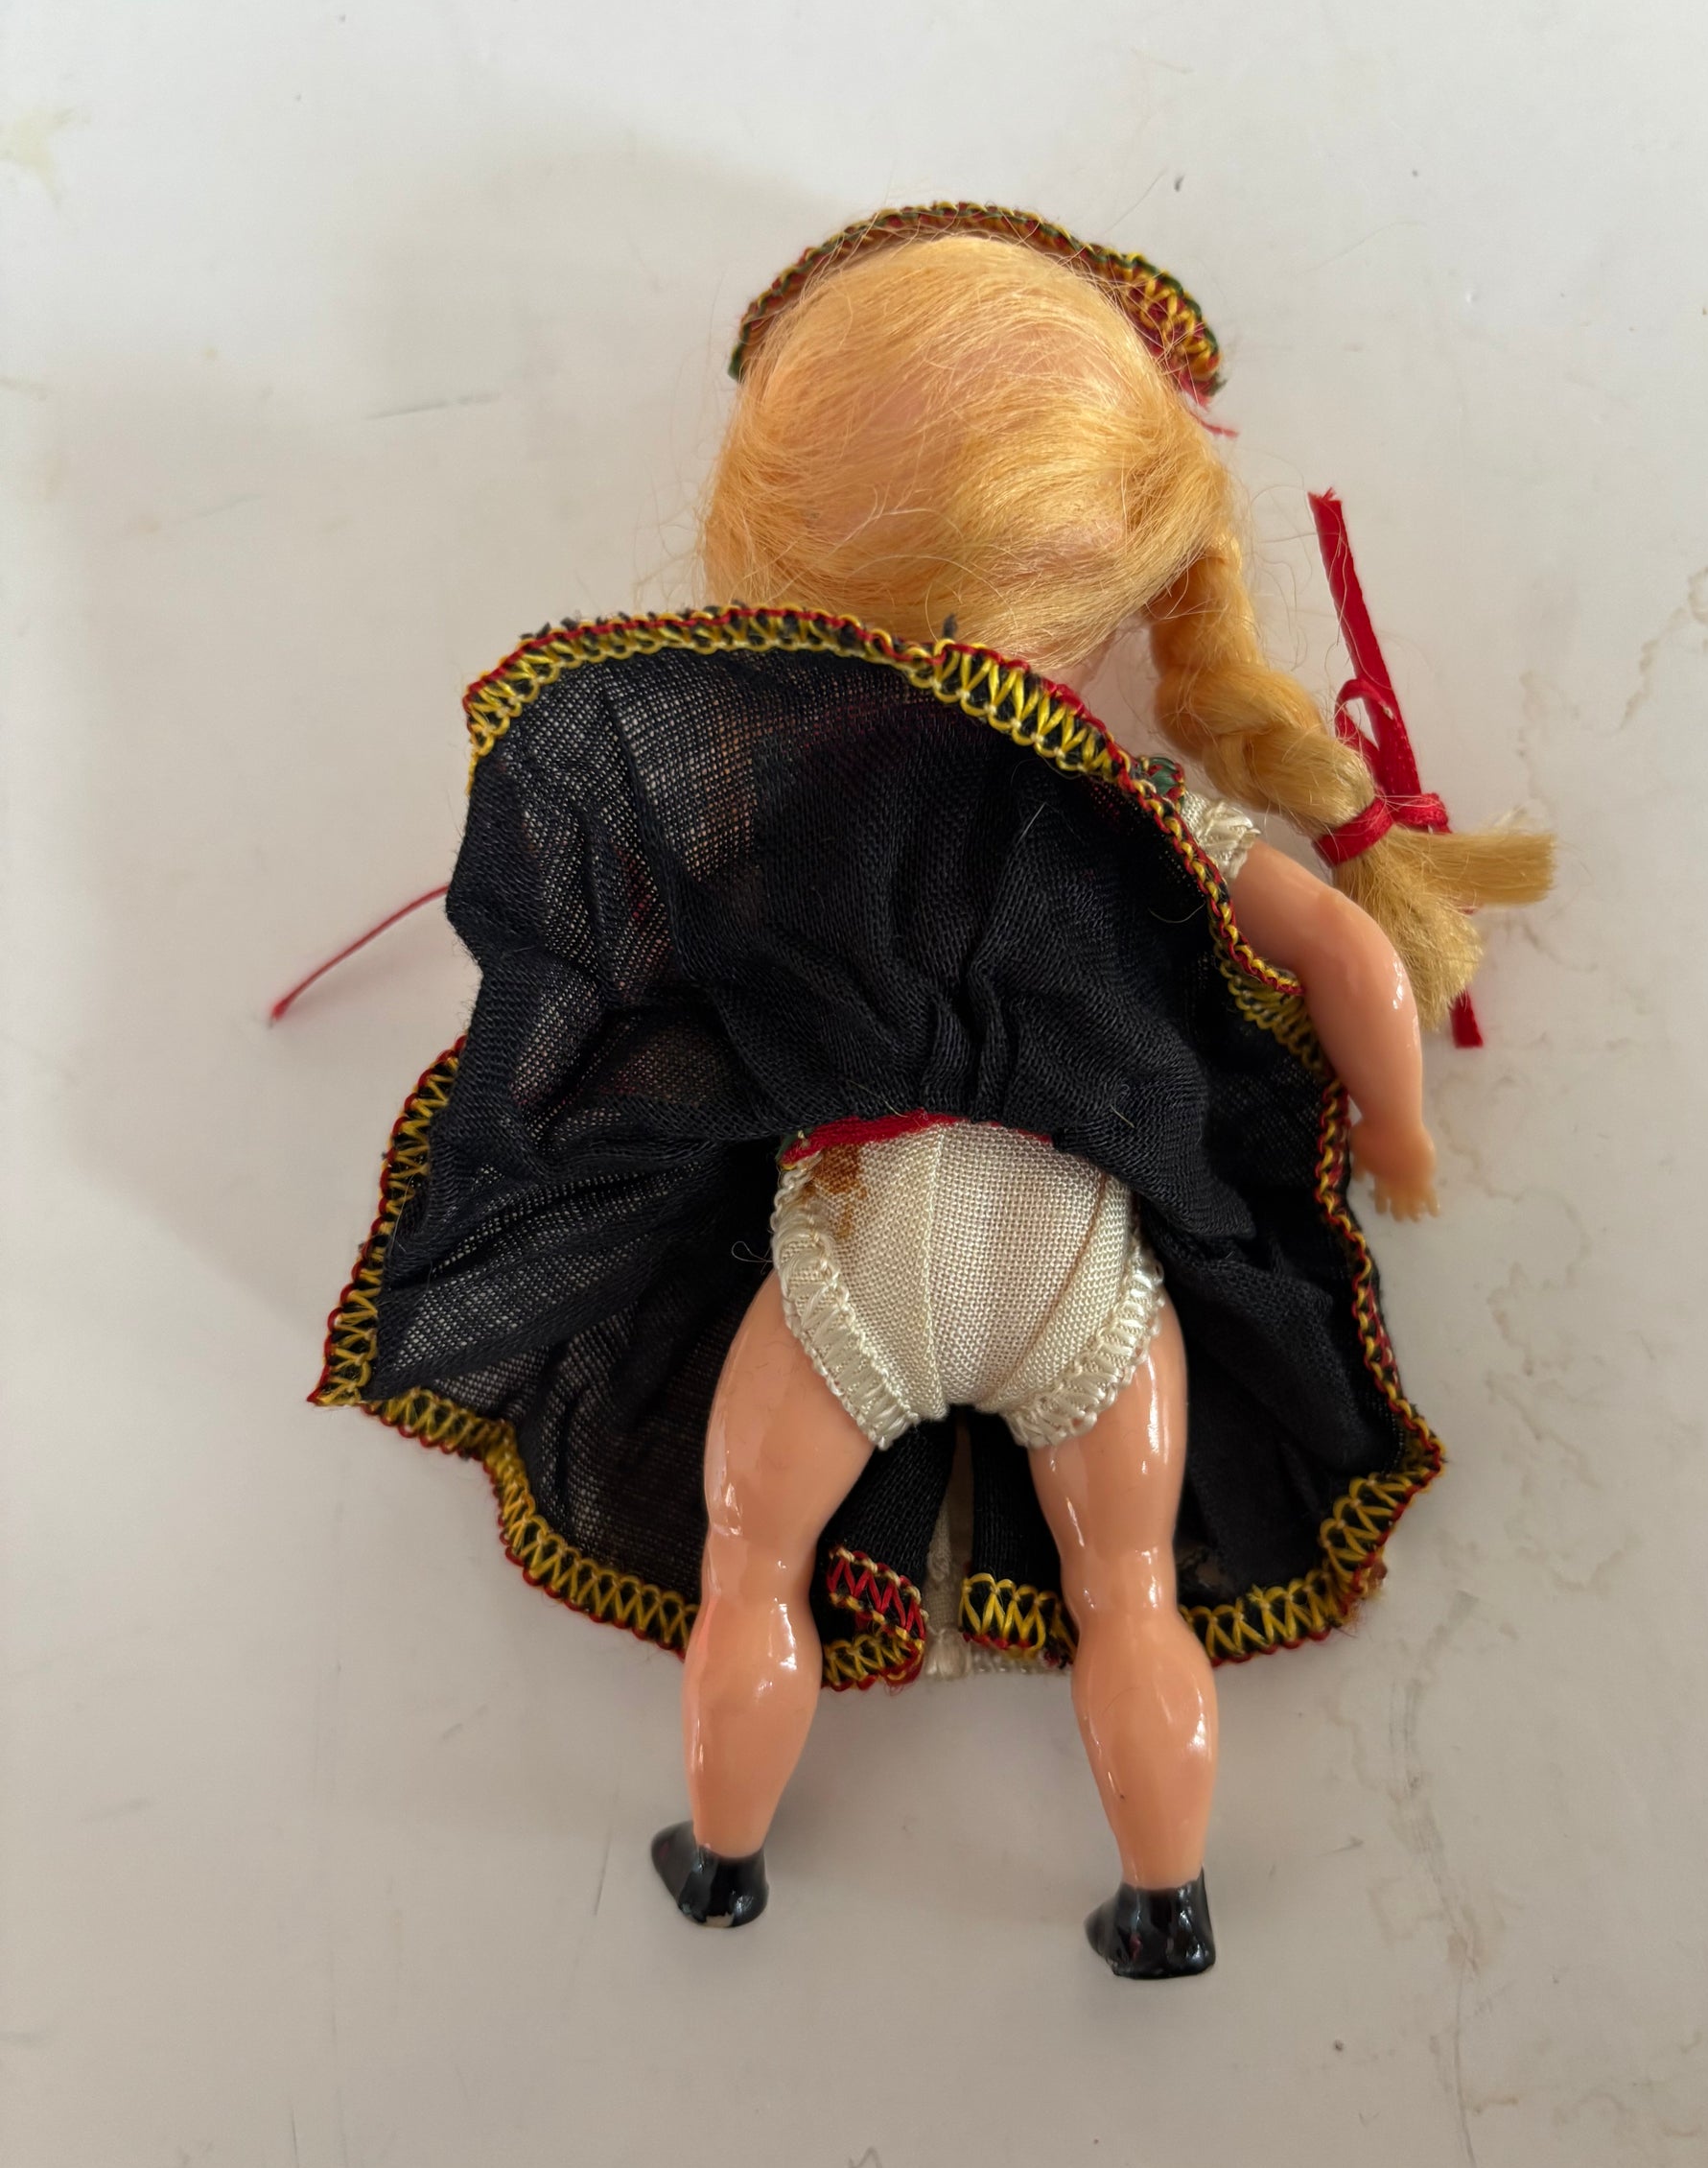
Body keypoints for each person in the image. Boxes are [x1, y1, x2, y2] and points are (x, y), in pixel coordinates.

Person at [315, 206, 1551, 1976]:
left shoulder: (777, 819)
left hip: (853, 1246)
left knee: (753, 1566)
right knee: (1127, 1592)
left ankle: (722, 1857)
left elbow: (634, 986)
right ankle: (1165, 1903)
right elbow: (1352, 963)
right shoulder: (1155, 811)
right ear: (1123, 553)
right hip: (1084, 1269)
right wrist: (1401, 1141)